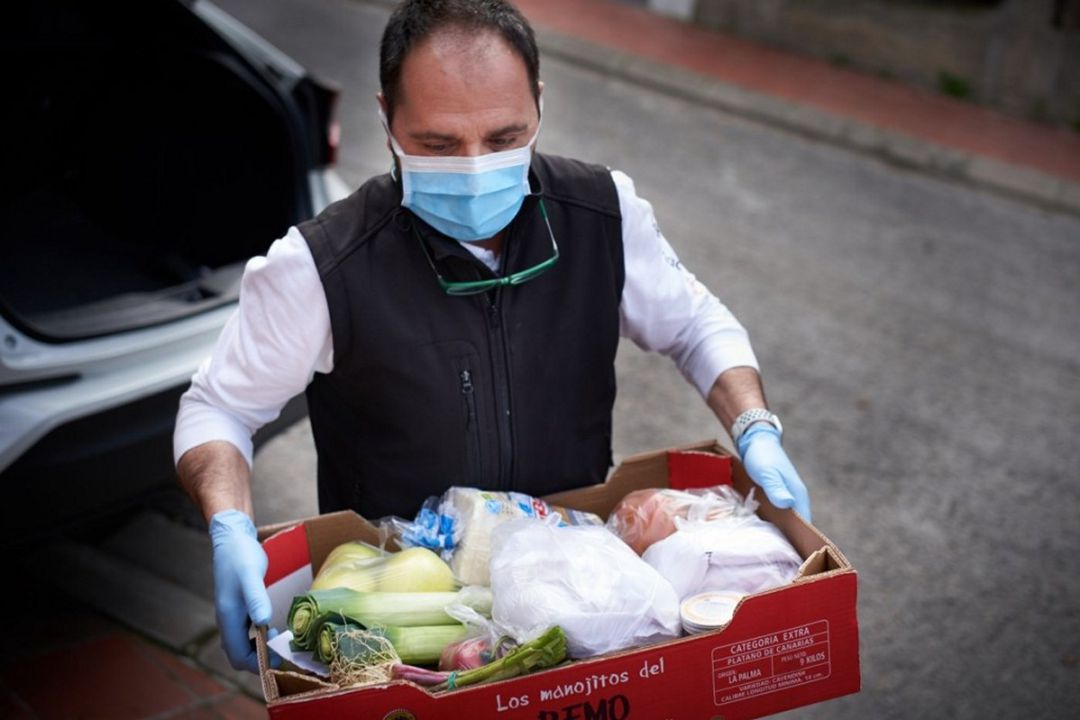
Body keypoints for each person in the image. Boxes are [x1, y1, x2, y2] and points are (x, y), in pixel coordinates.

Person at [173, 0, 810, 674]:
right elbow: (220, 407)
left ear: (537, 104)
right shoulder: (321, 267)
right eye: (439, 145)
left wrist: (755, 426)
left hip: (579, 590)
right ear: (387, 117)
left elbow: (695, 325)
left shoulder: (602, 215)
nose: (476, 169)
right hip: (405, 622)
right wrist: (229, 527)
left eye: (505, 138)